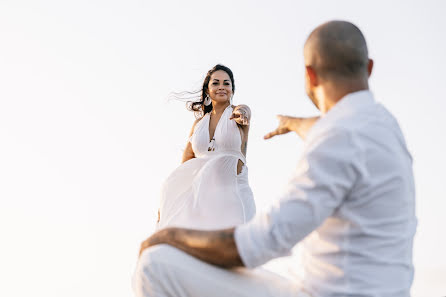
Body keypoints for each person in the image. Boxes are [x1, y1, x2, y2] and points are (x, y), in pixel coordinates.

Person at [134, 21, 417, 297]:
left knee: (154, 265)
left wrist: (170, 237)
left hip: (325, 291)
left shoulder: (335, 141)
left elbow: (265, 240)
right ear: (369, 67)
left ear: (310, 75)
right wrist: (293, 123)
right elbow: (333, 129)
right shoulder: (383, 126)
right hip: (380, 288)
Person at [156, 64, 255, 231]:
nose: (221, 87)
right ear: (208, 89)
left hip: (233, 193)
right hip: (202, 197)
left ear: (232, 89)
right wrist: (171, 200)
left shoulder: (238, 113)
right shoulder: (198, 124)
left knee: (233, 247)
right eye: (215, 83)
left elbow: (245, 111)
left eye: (226, 83)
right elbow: (186, 162)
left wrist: (243, 114)